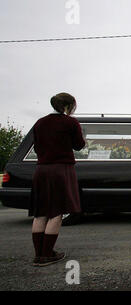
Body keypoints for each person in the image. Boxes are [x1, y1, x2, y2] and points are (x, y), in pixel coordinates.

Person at [30, 93, 85, 266]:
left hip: (41, 169)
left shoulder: (39, 122)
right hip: (61, 169)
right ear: (69, 106)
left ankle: (39, 254)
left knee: (40, 213)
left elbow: (37, 147)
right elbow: (79, 145)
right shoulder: (70, 122)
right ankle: (47, 254)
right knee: (56, 212)